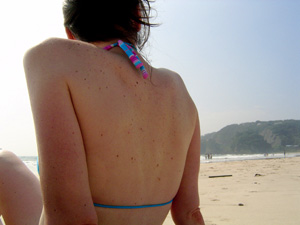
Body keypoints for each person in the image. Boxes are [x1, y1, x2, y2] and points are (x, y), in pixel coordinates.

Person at [0, 0, 205, 224]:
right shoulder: (177, 87)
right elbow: (189, 212)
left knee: (2, 162)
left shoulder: (53, 57)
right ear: (137, 17)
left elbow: (72, 217)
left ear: (70, 34)